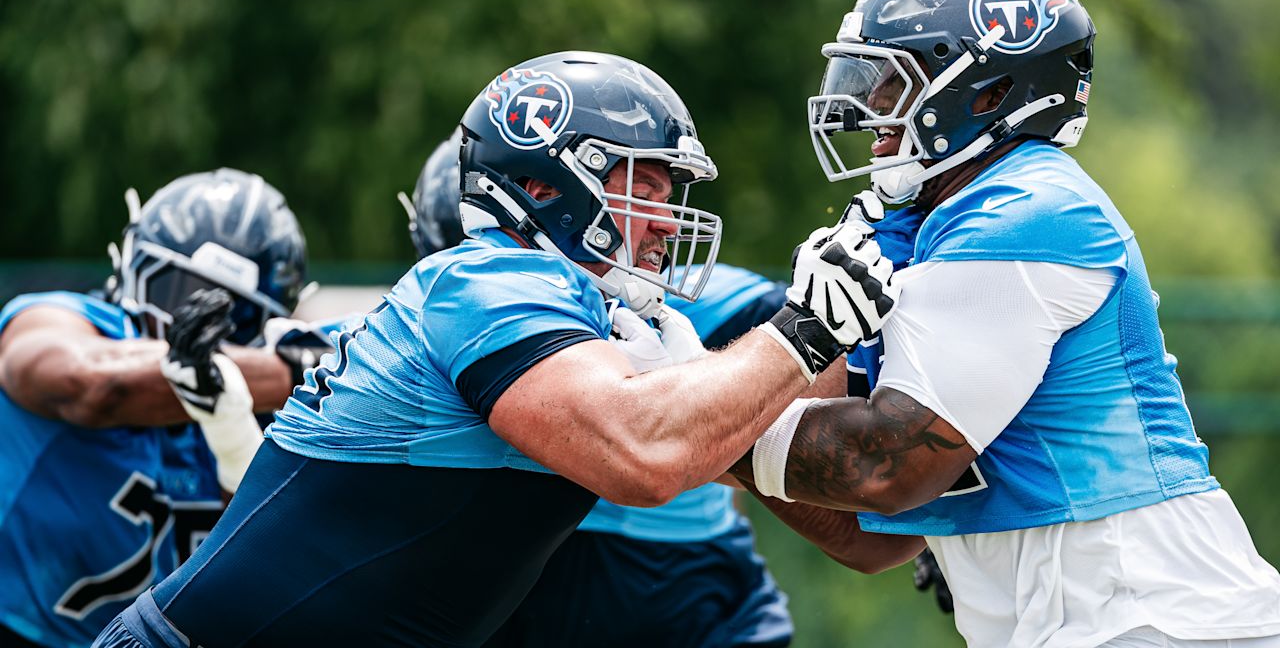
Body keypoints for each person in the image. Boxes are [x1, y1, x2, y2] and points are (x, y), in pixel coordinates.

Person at [95, 50, 898, 648]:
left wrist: (963, 509)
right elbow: (646, 456)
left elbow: (861, 538)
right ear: (547, 184)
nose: (664, 220)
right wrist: (802, 334)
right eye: (644, 187)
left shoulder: (606, 328)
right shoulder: (490, 278)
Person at [727, 0, 1280, 647]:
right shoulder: (920, 224)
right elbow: (861, 535)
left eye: (893, 83)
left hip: (1152, 618)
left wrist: (687, 418)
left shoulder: (1024, 211)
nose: (868, 109)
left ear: (988, 94)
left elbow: (880, 468)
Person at [403, 132, 793, 648]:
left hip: (685, 582)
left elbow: (847, 353)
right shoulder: (445, 314)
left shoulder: (668, 304)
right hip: (536, 572)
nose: (494, 276)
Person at [0, 169, 314, 647]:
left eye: (234, 316)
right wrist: (290, 372)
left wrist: (236, 438)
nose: (191, 325)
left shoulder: (268, 411)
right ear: (134, 270)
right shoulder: (63, 322)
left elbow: (264, 569)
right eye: (179, 293)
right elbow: (92, 384)